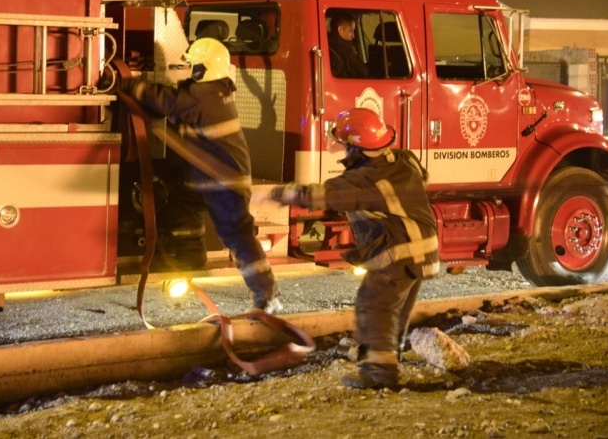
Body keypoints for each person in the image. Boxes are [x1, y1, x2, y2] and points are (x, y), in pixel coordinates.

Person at [269, 108, 439, 388]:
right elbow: (422, 178)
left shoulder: (362, 179)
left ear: (355, 147)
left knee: (374, 308)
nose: (342, 150)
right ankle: (387, 356)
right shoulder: (403, 159)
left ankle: (379, 375)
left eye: (344, 145)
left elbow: (326, 195)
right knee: (393, 312)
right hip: (424, 250)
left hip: (399, 251)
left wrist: (283, 193)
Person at [128, 37, 282, 313]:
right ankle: (192, 260)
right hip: (209, 178)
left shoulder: (205, 97)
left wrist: (131, 85)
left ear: (204, 70)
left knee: (237, 235)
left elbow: (168, 102)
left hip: (224, 181)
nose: (190, 70)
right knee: (180, 205)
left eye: (194, 66)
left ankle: (266, 295)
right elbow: (175, 103)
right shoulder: (212, 92)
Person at [328, 12, 370, 78]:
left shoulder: (327, 44)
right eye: (351, 31)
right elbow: (363, 72)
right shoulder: (343, 49)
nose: (353, 36)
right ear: (340, 29)